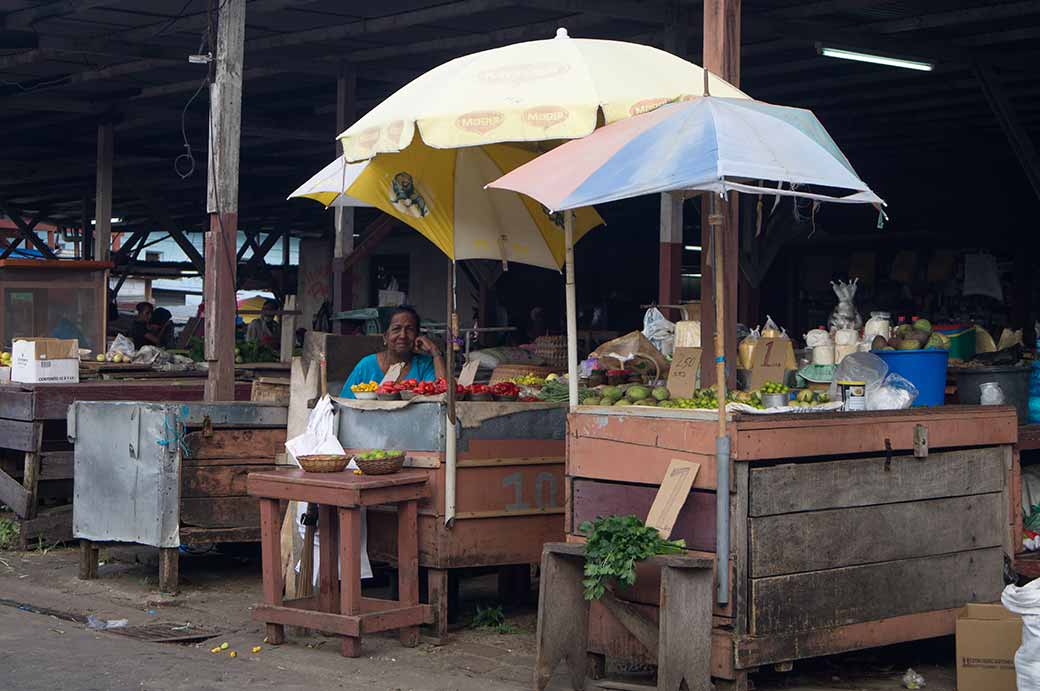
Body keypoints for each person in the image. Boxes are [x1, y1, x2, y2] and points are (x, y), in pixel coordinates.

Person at [340, 305, 445, 398]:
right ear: (385, 337)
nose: (403, 335)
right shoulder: (366, 365)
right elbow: (344, 402)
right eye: (396, 329)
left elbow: (444, 394)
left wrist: (435, 352)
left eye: (409, 329)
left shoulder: (424, 365)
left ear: (417, 336)